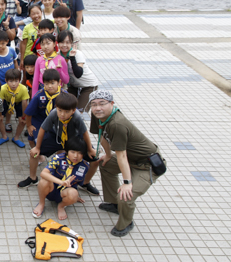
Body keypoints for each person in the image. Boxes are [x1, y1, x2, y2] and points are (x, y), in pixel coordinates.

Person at [89, 89, 166, 237]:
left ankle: (126, 222)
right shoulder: (98, 115)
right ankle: (114, 204)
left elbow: (122, 156)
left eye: (102, 104)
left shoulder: (117, 124)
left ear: (111, 103)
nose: (97, 108)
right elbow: (101, 135)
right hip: (128, 159)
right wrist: (108, 155)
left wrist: (127, 182)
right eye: (94, 104)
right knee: (105, 165)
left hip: (146, 165)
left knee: (126, 195)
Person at [30, 93, 99, 196]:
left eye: (66, 112)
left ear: (73, 110)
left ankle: (85, 183)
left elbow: (84, 133)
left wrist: (89, 149)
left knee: (95, 160)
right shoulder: (54, 113)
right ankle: (32, 178)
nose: (62, 114)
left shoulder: (77, 117)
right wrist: (37, 147)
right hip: (56, 138)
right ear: (56, 107)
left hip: (74, 140)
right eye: (60, 110)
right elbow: (42, 129)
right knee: (33, 153)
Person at [18, 69, 63, 188]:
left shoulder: (64, 96)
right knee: (34, 146)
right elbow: (29, 112)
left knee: (64, 149)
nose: (49, 86)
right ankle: (33, 178)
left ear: (59, 82)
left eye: (52, 83)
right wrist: (28, 125)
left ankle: (60, 174)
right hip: (39, 123)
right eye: (46, 84)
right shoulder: (39, 95)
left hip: (58, 127)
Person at [32, 138, 90, 220]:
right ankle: (41, 203)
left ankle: (61, 206)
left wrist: (75, 196)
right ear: (67, 151)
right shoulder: (58, 158)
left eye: (79, 153)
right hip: (52, 189)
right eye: (72, 152)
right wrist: (61, 182)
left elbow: (79, 183)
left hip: (65, 192)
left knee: (74, 194)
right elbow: (43, 173)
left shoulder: (85, 166)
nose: (75, 156)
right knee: (44, 181)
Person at [58, 30, 99, 112]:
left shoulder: (77, 54)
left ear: (72, 43)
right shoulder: (58, 55)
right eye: (62, 42)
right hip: (73, 86)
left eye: (68, 42)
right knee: (67, 108)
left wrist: (72, 57)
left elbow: (78, 74)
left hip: (88, 86)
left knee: (79, 111)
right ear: (57, 43)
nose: (64, 45)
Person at [0, 68, 30, 148]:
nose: (14, 84)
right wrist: (0, 114)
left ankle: (16, 138)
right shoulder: (2, 88)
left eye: (16, 81)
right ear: (6, 80)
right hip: (7, 101)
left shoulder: (23, 89)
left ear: (19, 80)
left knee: (22, 121)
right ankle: (4, 136)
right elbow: (0, 102)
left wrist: (23, 116)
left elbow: (24, 103)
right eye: (11, 81)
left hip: (18, 102)